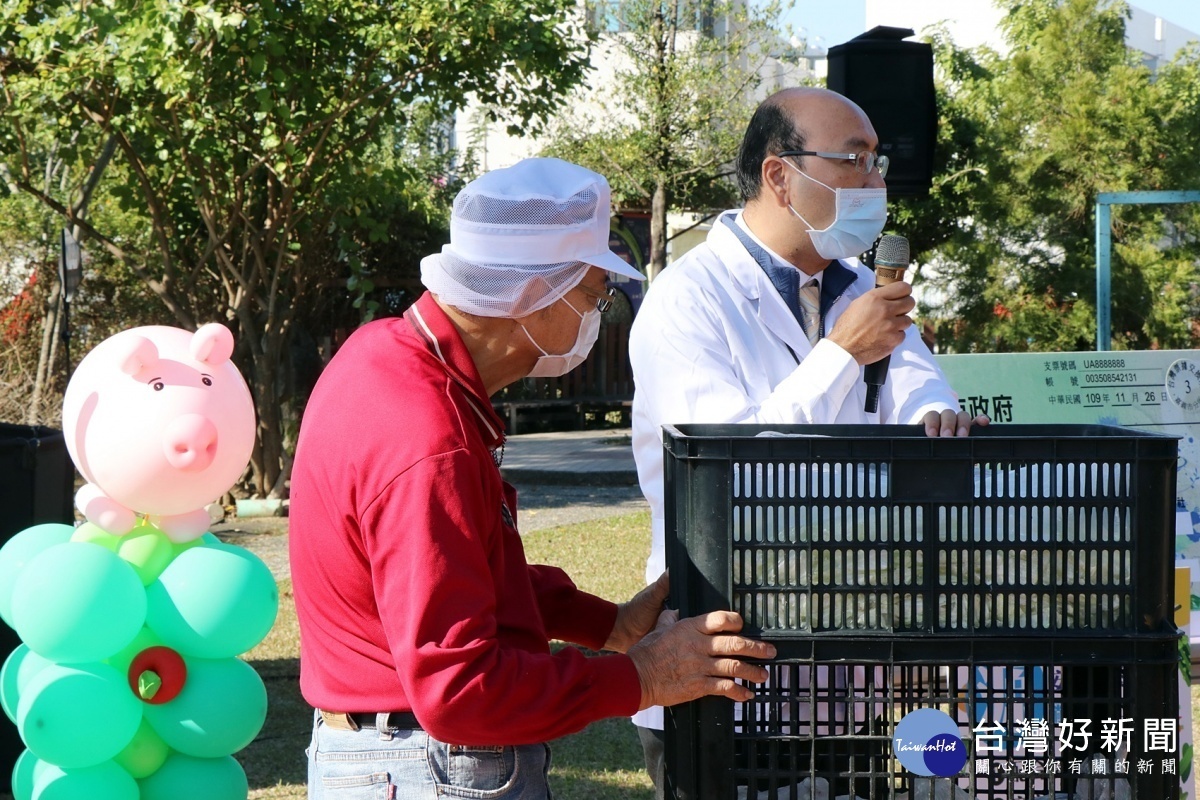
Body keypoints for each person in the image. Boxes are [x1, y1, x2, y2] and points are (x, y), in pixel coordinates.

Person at [289, 157, 776, 799]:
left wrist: (612, 623)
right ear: (529, 297)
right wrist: (640, 678)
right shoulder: (428, 436)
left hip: (387, 753)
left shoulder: (385, 353)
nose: (599, 313)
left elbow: (467, 570)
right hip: (428, 766)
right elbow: (459, 691)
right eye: (593, 294)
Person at [627, 87, 989, 795]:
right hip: (724, 657)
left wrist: (938, 421)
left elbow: (920, 392)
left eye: (878, 162)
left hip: (849, 657)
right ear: (779, 175)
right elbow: (725, 471)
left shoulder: (863, 290)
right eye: (854, 160)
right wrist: (841, 355)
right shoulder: (690, 296)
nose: (876, 183)